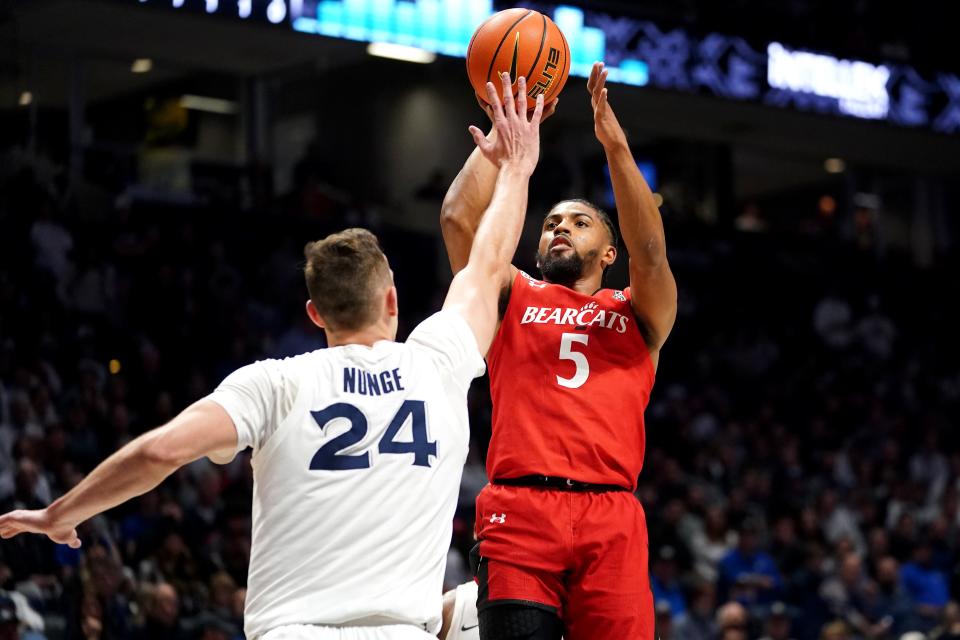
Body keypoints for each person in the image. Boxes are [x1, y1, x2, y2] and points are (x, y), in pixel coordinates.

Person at [0, 75, 546, 640]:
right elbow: (486, 262)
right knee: (492, 604)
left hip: (292, 632)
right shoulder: (437, 363)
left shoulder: (274, 383)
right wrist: (517, 164)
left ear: (314, 313)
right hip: (401, 632)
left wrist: (60, 513)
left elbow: (161, 450)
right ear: (392, 299)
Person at [440, 62, 678, 639]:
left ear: (607, 254)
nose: (559, 228)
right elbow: (456, 218)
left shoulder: (639, 314)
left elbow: (650, 249)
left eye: (579, 222)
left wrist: (614, 146)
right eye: (550, 223)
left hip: (611, 517)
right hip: (519, 511)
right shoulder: (512, 295)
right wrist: (498, 149)